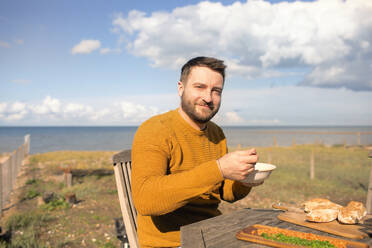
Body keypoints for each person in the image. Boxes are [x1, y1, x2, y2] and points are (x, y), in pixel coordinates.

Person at [131, 56, 262, 248]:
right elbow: (146, 200)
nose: (208, 98)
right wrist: (218, 169)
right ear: (181, 88)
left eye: (216, 91)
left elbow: (225, 193)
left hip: (213, 233)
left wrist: (244, 180)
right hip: (172, 242)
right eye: (199, 87)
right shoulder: (155, 129)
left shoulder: (216, 133)